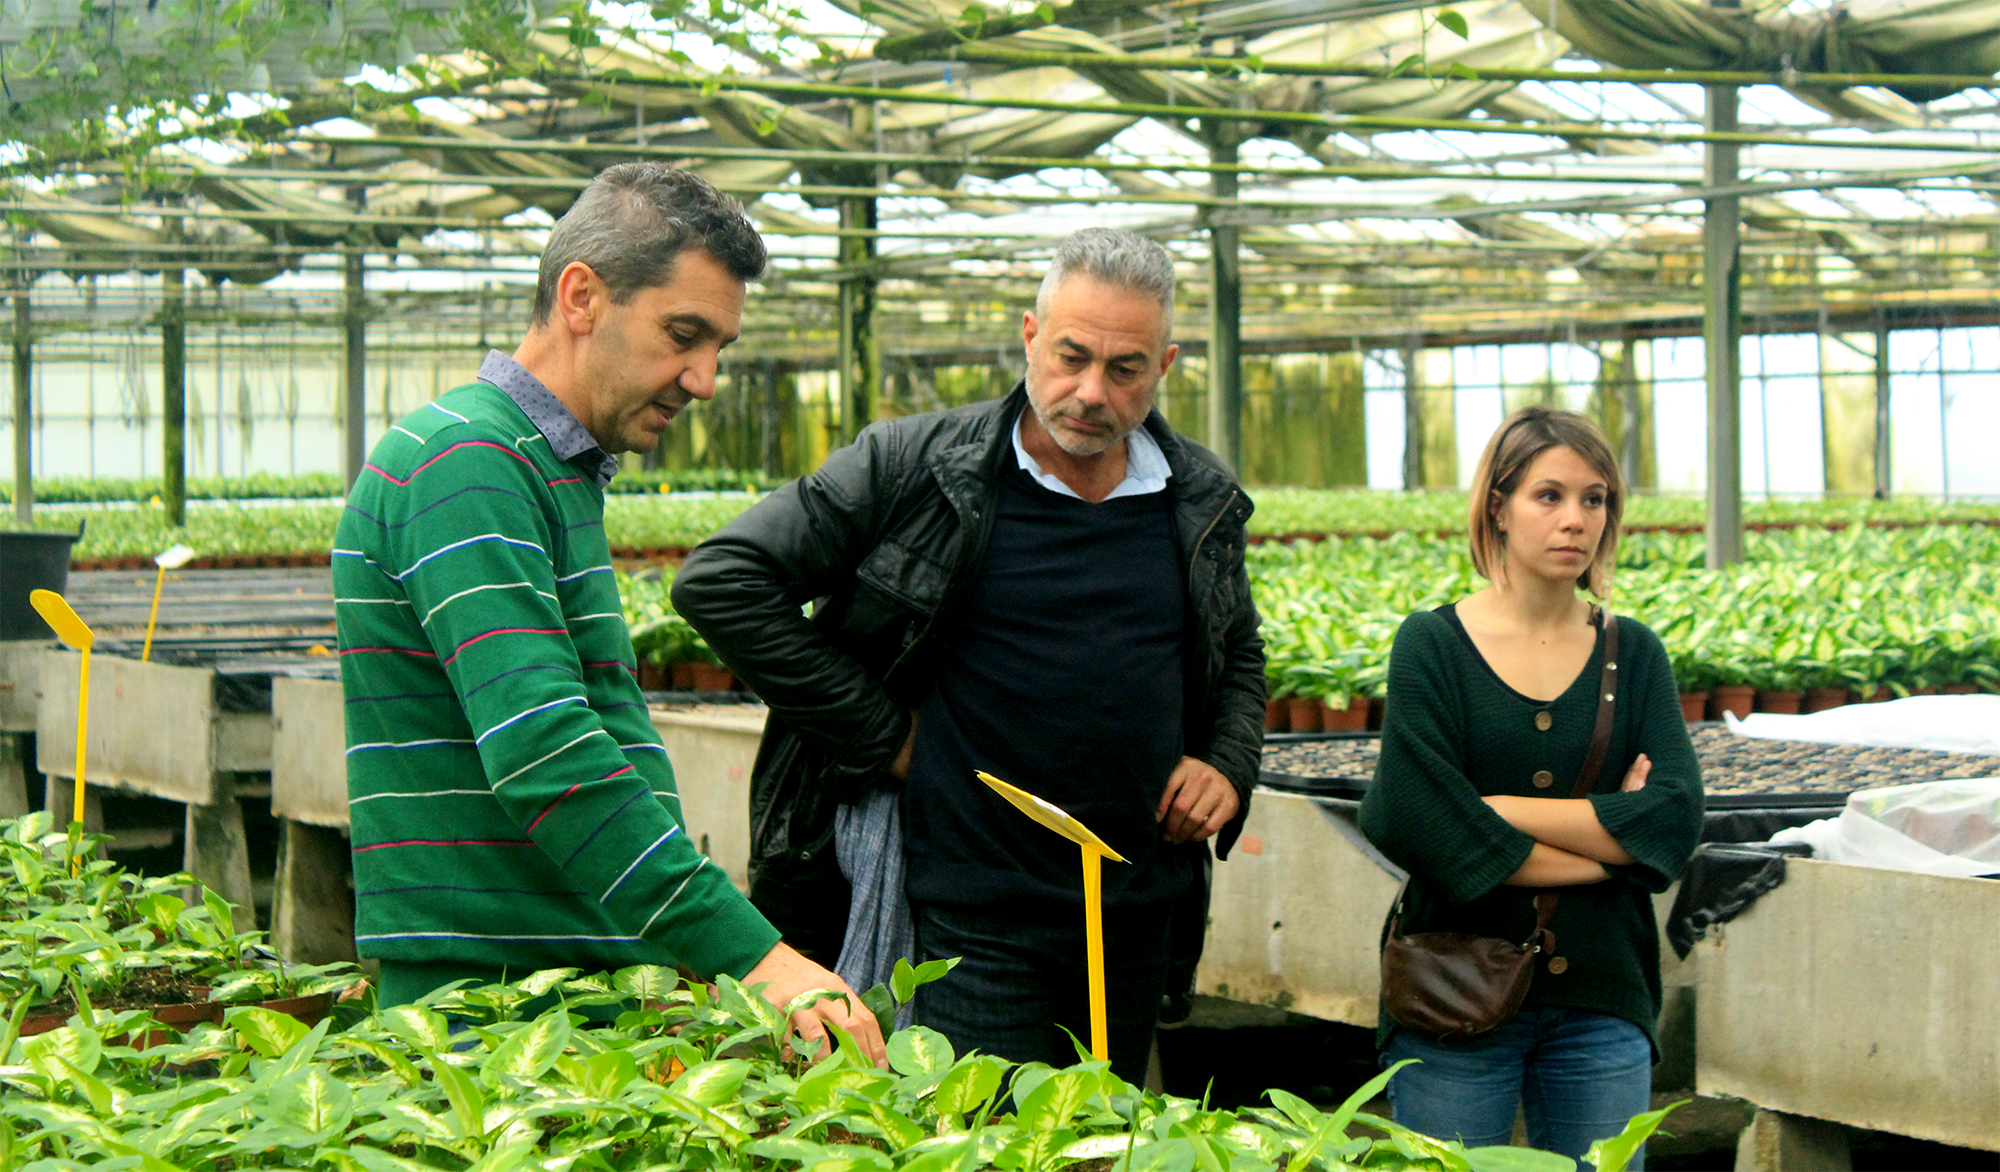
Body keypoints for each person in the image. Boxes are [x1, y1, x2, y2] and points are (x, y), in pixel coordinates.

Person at [671, 227, 1266, 1082]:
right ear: (1030, 337)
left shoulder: (1195, 495)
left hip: (1135, 914)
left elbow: (1237, 645)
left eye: (1124, 368)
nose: (1090, 392)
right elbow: (723, 581)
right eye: (1070, 357)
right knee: (977, 1139)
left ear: (1165, 364)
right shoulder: (919, 466)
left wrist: (1226, 759)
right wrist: (883, 735)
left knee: (1105, 1142)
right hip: (972, 920)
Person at [333, 162, 883, 1065]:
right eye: (684, 334)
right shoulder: (467, 462)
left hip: (561, 993)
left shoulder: (547, 467)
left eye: (719, 349)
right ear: (582, 296)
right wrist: (759, 958)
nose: (704, 379)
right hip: (497, 1019)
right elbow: (550, 758)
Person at [1357, 407, 1703, 1165]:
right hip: (1453, 989)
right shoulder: (1433, 646)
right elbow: (1424, 823)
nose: (1575, 519)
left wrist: (1499, 812)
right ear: (1498, 507)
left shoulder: (1634, 653)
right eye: (1549, 496)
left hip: (1602, 996)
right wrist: (1615, 850)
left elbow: (1674, 820)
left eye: (1595, 498)